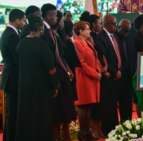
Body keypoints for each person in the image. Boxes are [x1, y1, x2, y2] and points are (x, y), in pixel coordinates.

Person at [15, 14, 58, 141]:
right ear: (40, 28)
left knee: (26, 115)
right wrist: (54, 85)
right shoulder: (42, 45)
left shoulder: (21, 43)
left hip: (24, 86)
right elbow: (51, 69)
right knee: (41, 117)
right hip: (40, 88)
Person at [73, 21, 102, 141]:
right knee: (83, 106)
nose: (90, 30)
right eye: (87, 29)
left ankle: (87, 131)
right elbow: (81, 64)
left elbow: (94, 57)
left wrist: (99, 69)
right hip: (84, 79)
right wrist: (95, 74)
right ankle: (82, 132)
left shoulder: (87, 42)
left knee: (89, 106)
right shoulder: (76, 43)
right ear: (80, 31)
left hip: (92, 79)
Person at [0, 9, 25, 141]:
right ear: (17, 20)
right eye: (23, 20)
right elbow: (18, 57)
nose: (24, 22)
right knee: (13, 113)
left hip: (11, 77)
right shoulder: (11, 35)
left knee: (13, 112)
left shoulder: (10, 33)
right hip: (13, 78)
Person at [52, 10, 77, 141]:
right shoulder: (53, 35)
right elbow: (57, 57)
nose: (62, 22)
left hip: (64, 73)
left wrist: (67, 69)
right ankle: (59, 137)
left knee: (66, 109)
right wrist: (66, 69)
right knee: (59, 110)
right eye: (60, 19)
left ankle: (65, 135)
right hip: (60, 74)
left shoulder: (59, 35)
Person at [99, 14, 120, 136]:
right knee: (108, 104)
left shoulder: (114, 36)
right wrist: (114, 71)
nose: (115, 26)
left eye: (115, 23)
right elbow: (104, 56)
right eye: (113, 23)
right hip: (108, 76)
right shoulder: (102, 37)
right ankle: (108, 129)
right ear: (106, 24)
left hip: (116, 74)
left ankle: (114, 128)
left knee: (113, 104)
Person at [115, 19, 137, 122]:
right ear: (118, 27)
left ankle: (127, 122)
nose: (126, 33)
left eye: (128, 31)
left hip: (129, 75)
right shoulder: (114, 38)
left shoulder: (130, 38)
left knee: (128, 102)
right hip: (117, 75)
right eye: (124, 31)